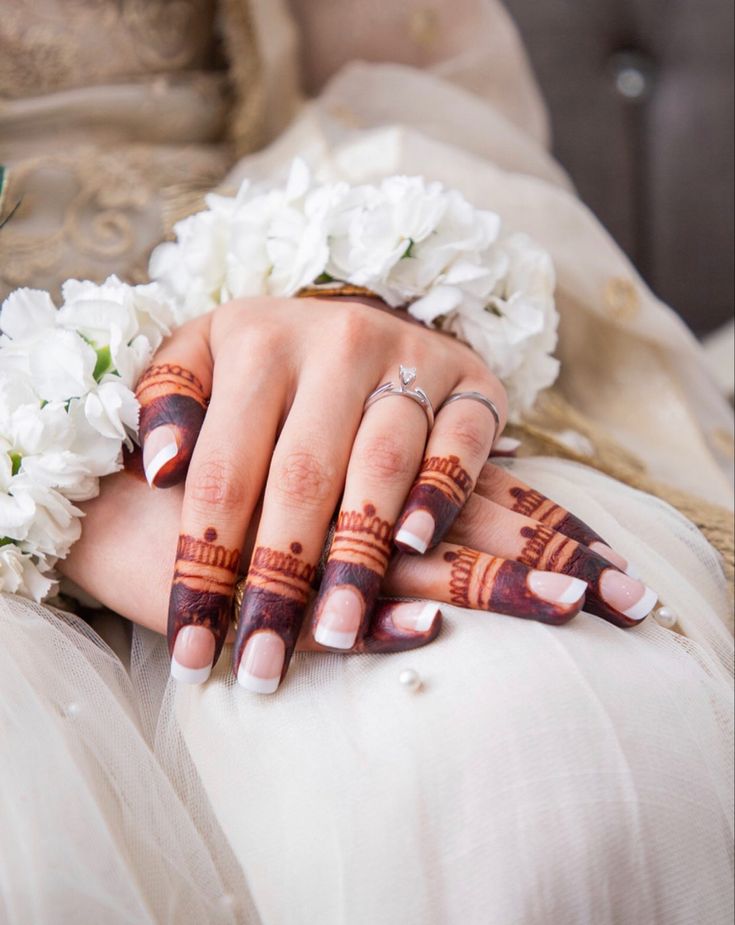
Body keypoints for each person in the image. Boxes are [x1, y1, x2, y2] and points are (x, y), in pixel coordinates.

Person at [0, 2, 732, 923]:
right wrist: (43, 448)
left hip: (278, 347)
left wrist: (347, 288)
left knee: (549, 758)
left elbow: (422, 95)